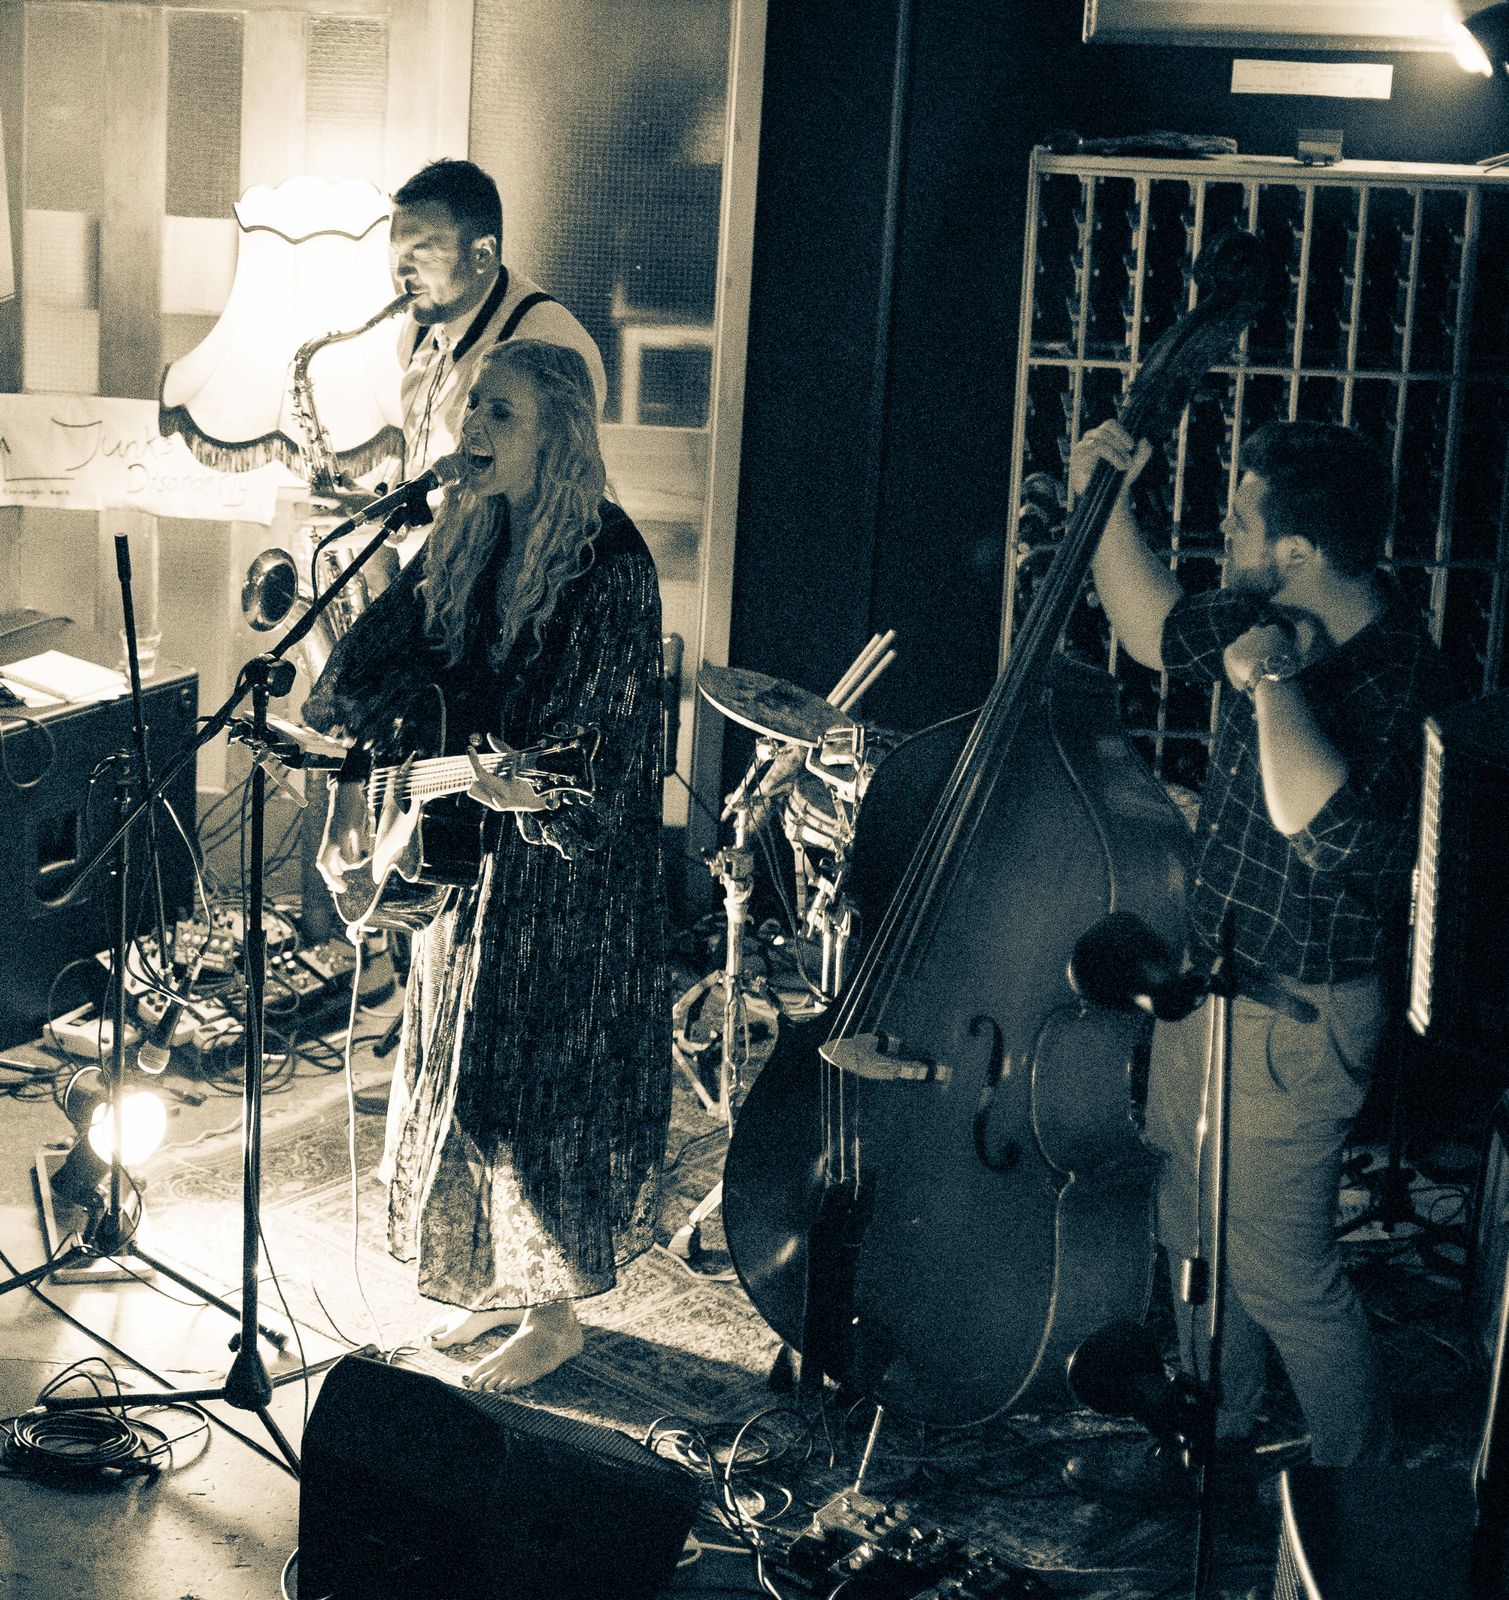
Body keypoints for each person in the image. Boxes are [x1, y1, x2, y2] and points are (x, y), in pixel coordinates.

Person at [1062, 417, 1452, 1493]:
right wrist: (1108, 499)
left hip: (1297, 1018)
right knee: (1189, 1228)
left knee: (1285, 1277)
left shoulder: (1403, 683)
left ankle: (1359, 1500)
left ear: (1298, 551)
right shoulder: (1264, 610)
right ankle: (1210, 1434)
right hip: (1212, 986)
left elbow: (1324, 830)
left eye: (1240, 522)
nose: (1223, 535)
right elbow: (1155, 632)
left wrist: (1273, 685)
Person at [304, 339, 669, 1393]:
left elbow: (600, 742)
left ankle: (553, 1316)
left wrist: (526, 786)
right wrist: (350, 783)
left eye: (501, 412)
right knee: (460, 1075)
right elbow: (374, 672)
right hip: (461, 861)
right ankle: (503, 1283)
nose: (474, 428)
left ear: (559, 433)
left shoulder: (610, 562)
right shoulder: (465, 533)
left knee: (539, 1090)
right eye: (472, 407)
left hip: (562, 883)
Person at [391, 157, 607, 485]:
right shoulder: (422, 321)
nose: (401, 273)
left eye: (421, 253)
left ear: (482, 254)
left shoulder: (548, 344)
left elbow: (554, 496)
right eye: (397, 253)